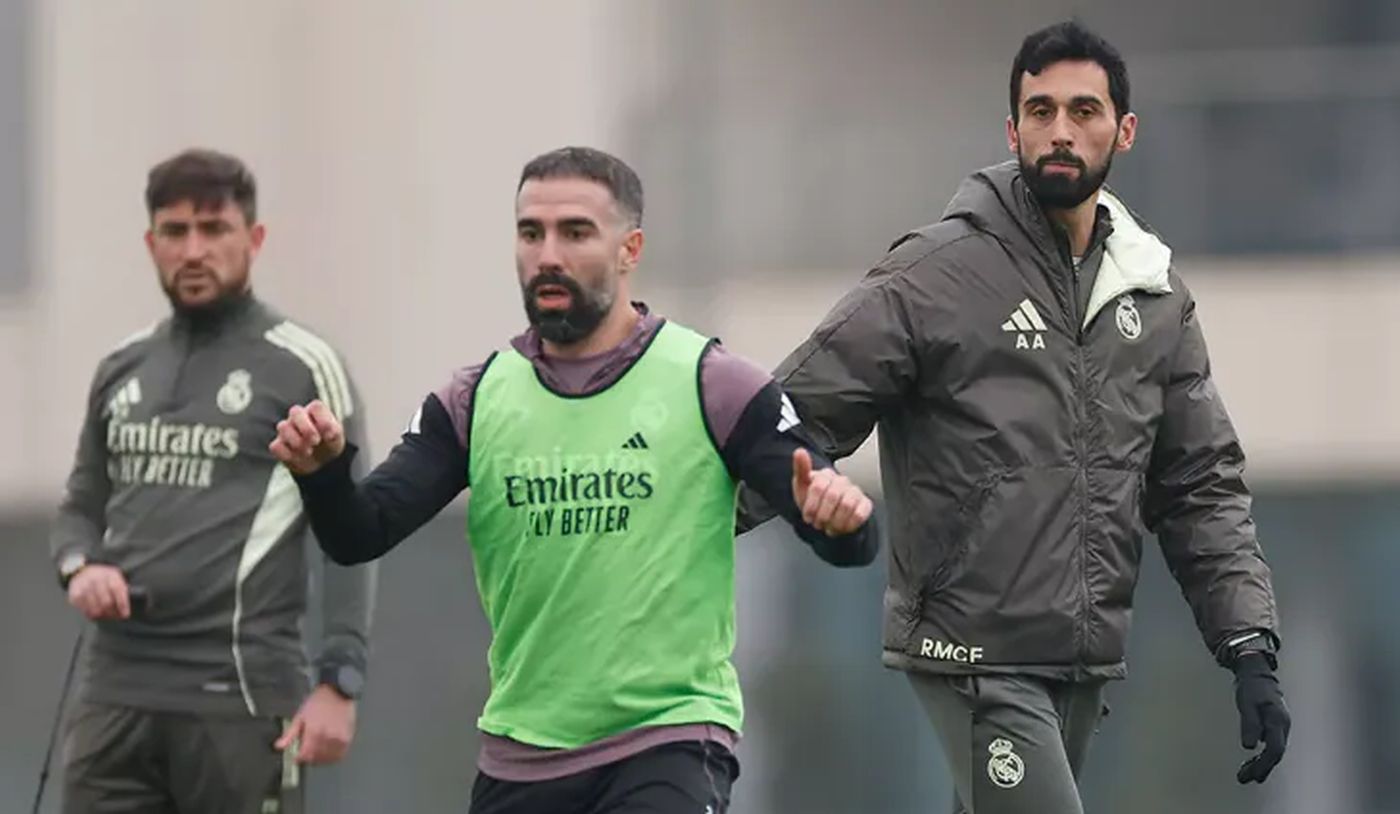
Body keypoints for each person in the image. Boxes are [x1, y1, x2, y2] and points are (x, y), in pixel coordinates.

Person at [740, 21, 1290, 814]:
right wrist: (669, 527)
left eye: (1083, 110)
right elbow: (794, 418)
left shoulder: (1153, 292)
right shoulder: (936, 273)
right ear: (1012, 128)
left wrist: (1249, 650)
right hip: (970, 653)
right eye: (1040, 111)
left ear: (1124, 130)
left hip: (1078, 663)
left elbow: (1200, 484)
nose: (1060, 130)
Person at [269, 145, 879, 814]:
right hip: (520, 755)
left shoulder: (712, 382)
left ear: (630, 248)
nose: (548, 254)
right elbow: (360, 532)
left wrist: (840, 521)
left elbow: (844, 533)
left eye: (575, 232)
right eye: (531, 232)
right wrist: (322, 473)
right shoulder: (475, 401)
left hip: (669, 742)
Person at [50, 148, 376, 814]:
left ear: (252, 239)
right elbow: (80, 507)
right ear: (151, 243)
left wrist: (339, 682)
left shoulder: (302, 367)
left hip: (241, 699)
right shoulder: (122, 365)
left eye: (213, 230)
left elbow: (354, 532)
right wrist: (80, 567)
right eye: (174, 232)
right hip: (114, 697)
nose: (193, 250)